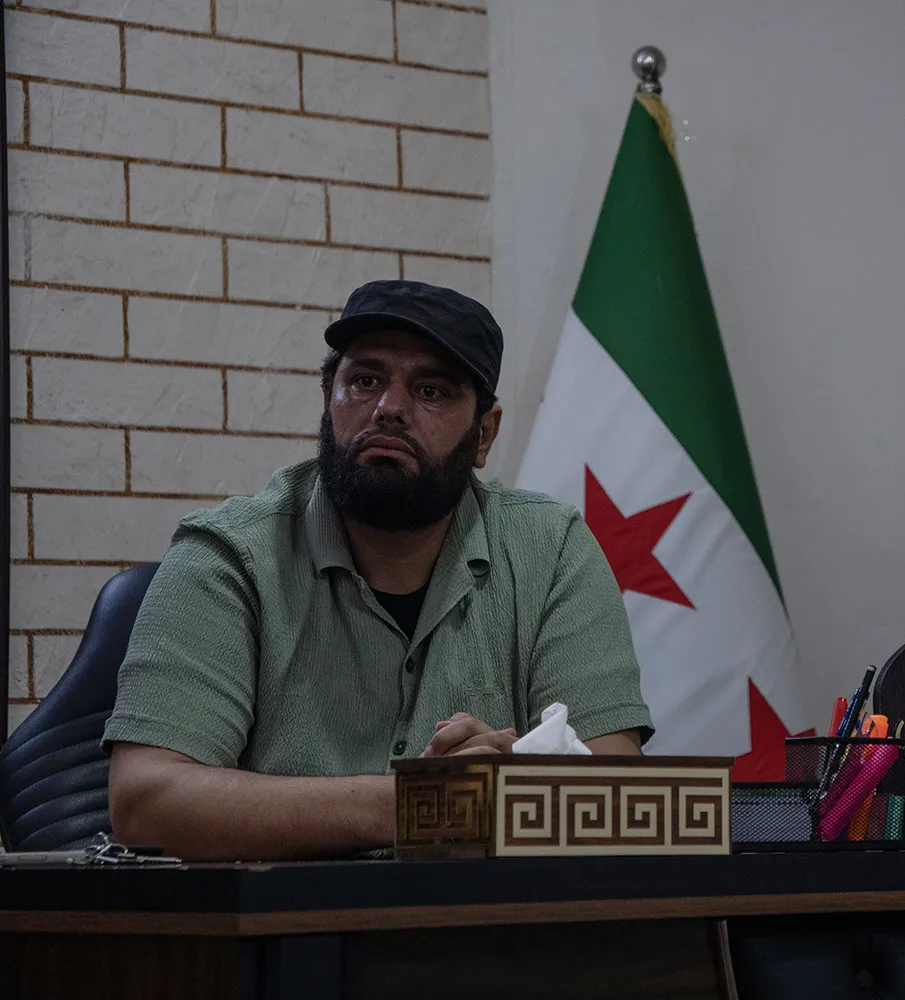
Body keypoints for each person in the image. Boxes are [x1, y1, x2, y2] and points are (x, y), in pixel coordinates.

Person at [104, 280, 652, 861]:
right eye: (364, 381)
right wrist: (418, 804)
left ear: (483, 434)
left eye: (432, 390)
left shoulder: (552, 549)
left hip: (488, 933)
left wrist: (491, 795)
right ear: (328, 401)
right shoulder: (228, 556)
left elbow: (610, 788)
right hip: (285, 938)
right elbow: (145, 802)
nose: (388, 408)